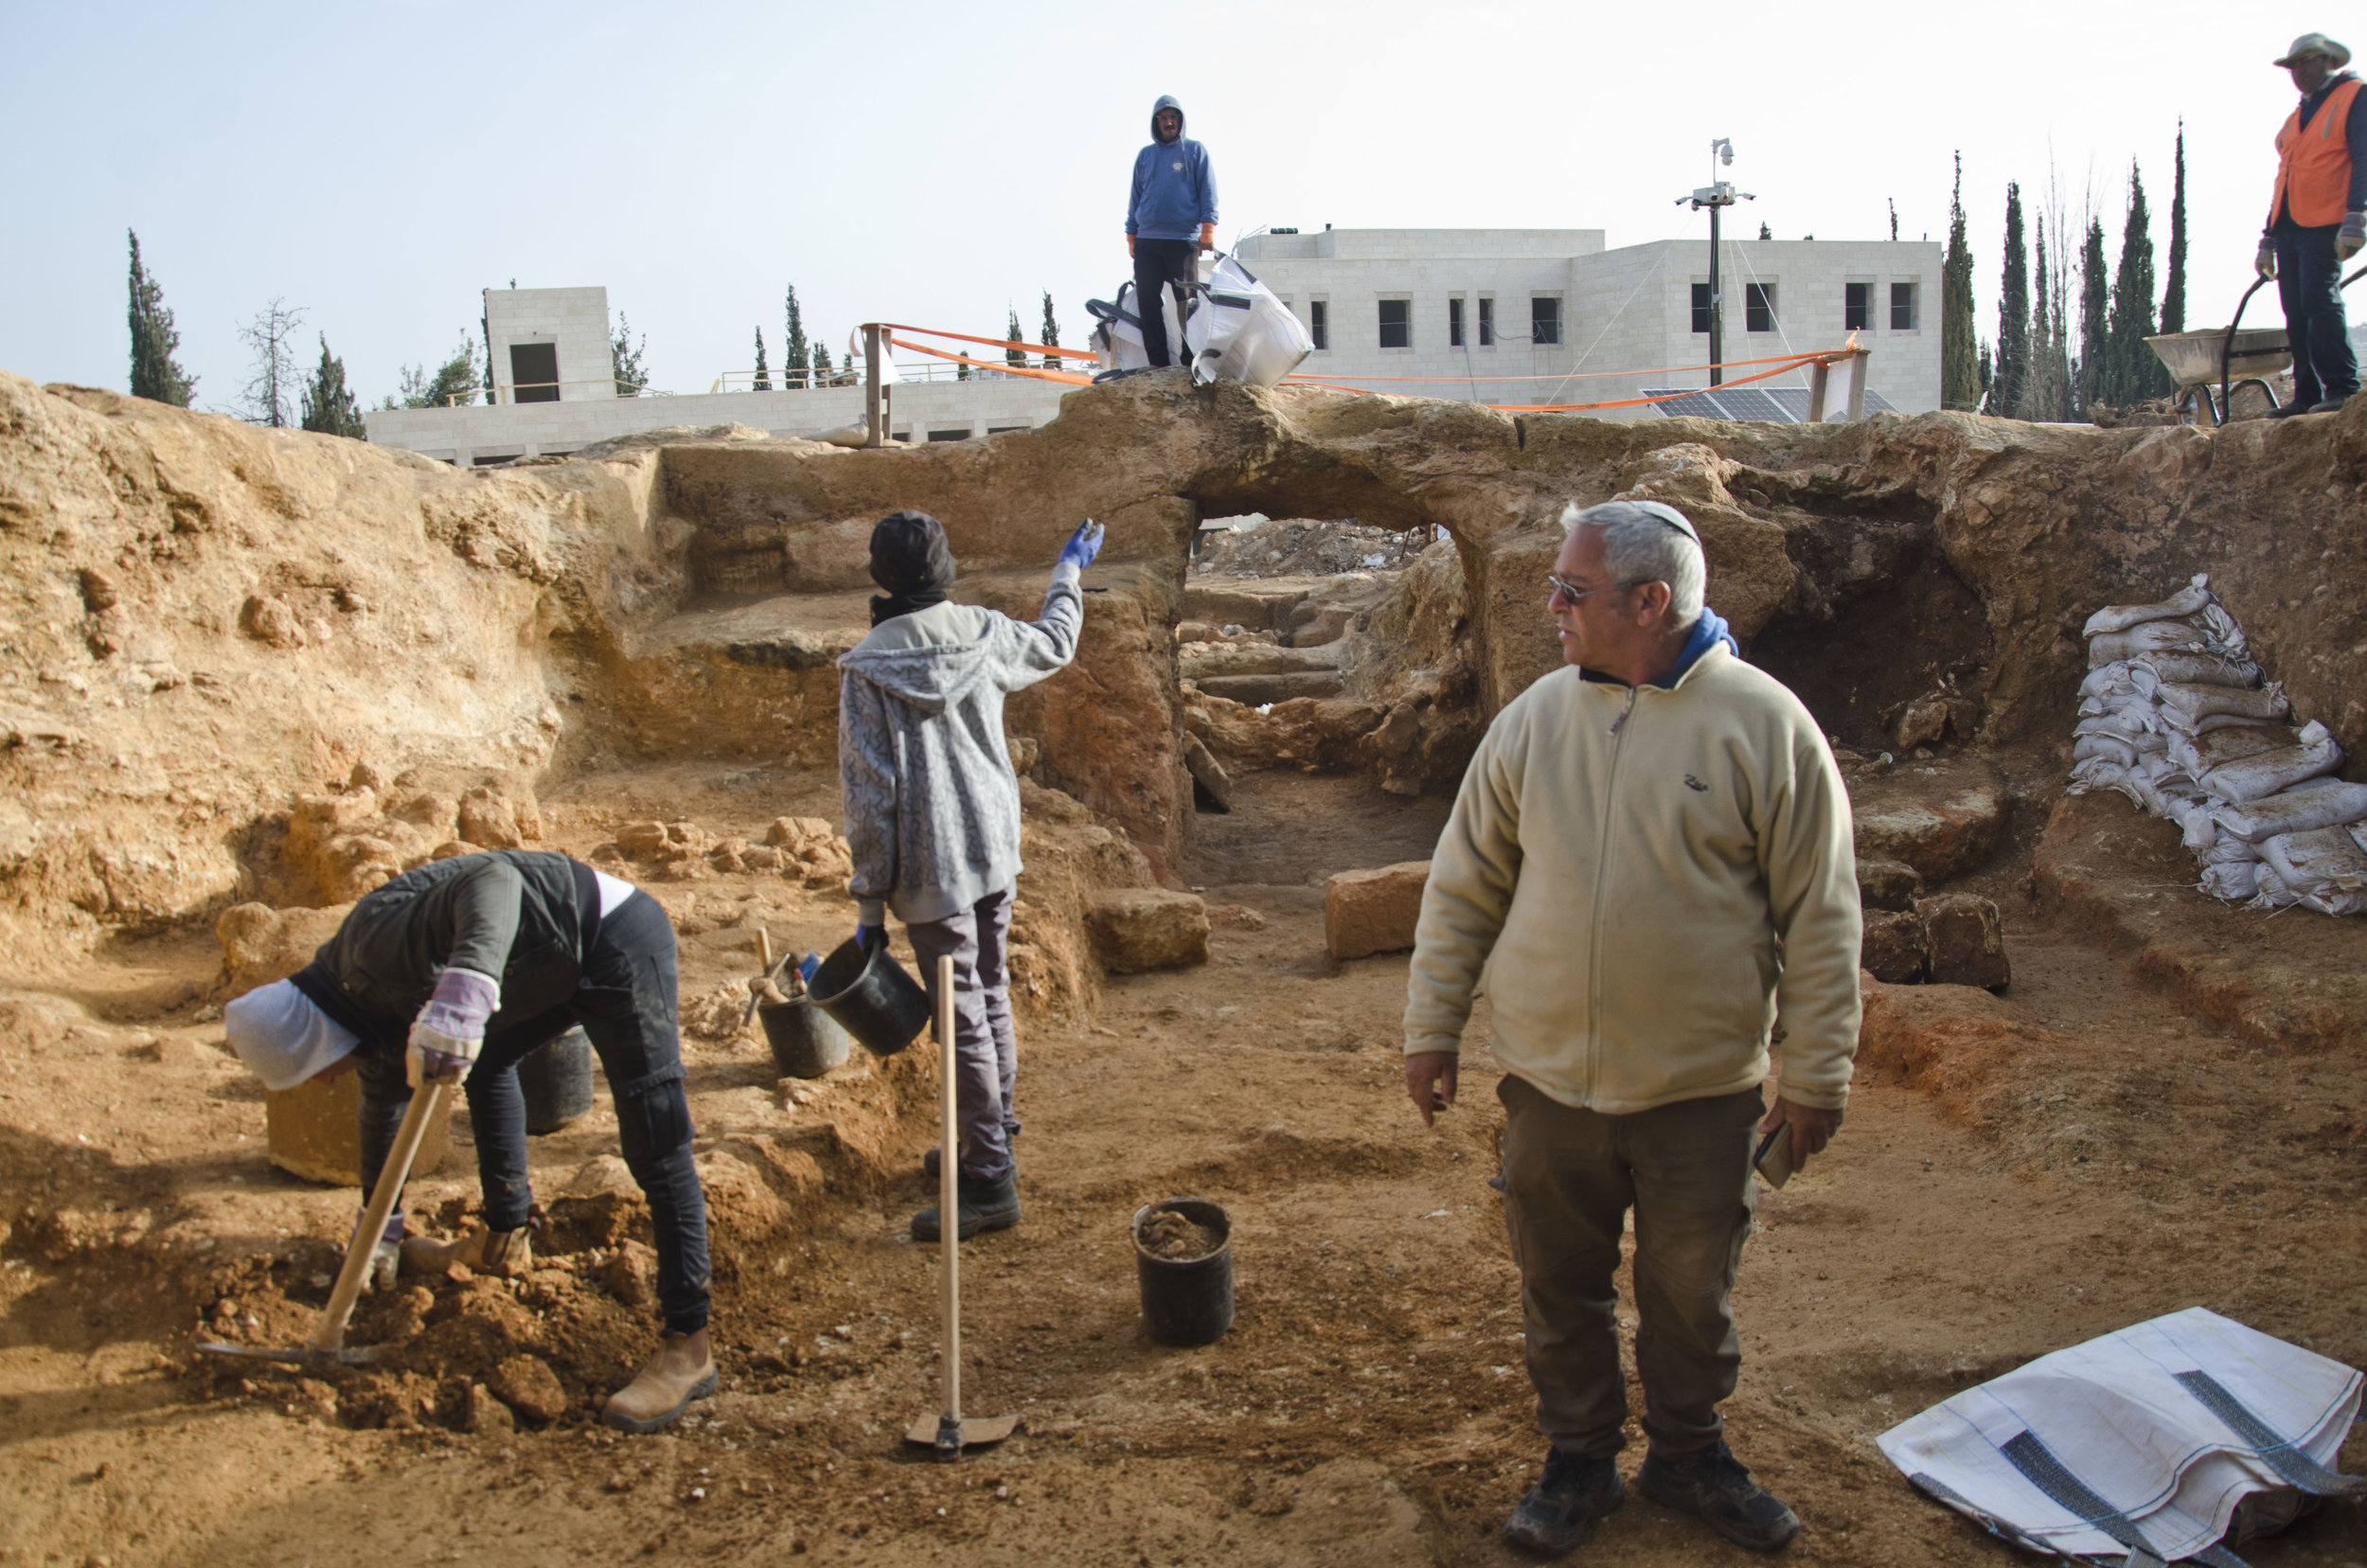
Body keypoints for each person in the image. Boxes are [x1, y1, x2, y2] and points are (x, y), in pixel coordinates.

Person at [1402, 500, 1861, 1557]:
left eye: (1571, 590)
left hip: (1697, 1095)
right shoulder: (1534, 720)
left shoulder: (1764, 726)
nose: (1550, 606)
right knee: (1558, 1288)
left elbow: (1822, 916)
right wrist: (1432, 1028)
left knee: (1689, 1296)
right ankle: (1577, 1462)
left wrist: (1816, 1077)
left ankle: (1690, 1454)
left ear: (1649, 603)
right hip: (1548, 1088)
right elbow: (1463, 884)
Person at [223, 849, 718, 1434]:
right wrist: (379, 1223)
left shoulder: (373, 949)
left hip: (613, 934)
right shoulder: (360, 1017)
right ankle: (504, 1241)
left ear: (312, 1038)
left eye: (312, 1070)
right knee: (487, 1063)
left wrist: (465, 990)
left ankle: (689, 1347)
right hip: (548, 958)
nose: (325, 1078)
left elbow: (495, 879)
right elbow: (384, 1110)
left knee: (655, 1140)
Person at [838, 509, 1099, 1240]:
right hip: (993, 845)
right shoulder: (985, 633)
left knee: (962, 1022)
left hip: (933, 867)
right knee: (989, 993)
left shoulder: (867, 670)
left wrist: (868, 908)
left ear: (880, 576)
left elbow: (870, 799)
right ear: (945, 569)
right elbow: (1054, 642)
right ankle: (994, 1137)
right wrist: (1068, 572)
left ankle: (989, 1178)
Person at [2261, 32, 2367, 417]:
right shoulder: (2298, 116)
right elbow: (2285, 177)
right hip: (2290, 226)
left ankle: (2343, 388)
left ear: (2328, 62)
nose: (2299, 71)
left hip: (2326, 221)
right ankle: (2306, 394)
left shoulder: (2354, 96)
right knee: (2296, 309)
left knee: (2319, 301)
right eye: (2294, 65)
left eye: (2307, 62)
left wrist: (2357, 214)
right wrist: (2268, 238)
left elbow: (2363, 155)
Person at [1126, 95, 1219, 371]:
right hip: (1147, 240)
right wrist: (1131, 234)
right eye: (1163, 118)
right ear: (1156, 122)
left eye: (1173, 117)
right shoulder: (1145, 156)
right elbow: (1135, 197)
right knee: (1147, 300)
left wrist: (1208, 228)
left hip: (1183, 240)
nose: (1169, 122)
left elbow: (1208, 190)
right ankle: (1158, 362)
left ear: (1180, 120)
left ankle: (1191, 360)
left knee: (1187, 301)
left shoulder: (1194, 152)